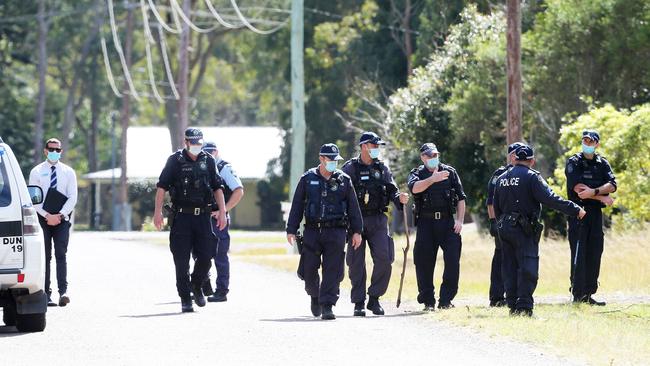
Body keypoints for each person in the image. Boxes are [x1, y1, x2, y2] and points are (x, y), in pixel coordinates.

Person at [494, 144, 586, 317]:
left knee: (509, 266)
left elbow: (496, 206)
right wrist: (575, 209)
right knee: (527, 265)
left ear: (515, 159)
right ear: (531, 161)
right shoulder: (532, 177)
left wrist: (502, 223)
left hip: (504, 227)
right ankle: (524, 307)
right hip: (523, 228)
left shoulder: (501, 178)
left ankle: (513, 305)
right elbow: (551, 199)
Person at [153, 128, 227, 313]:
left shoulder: (208, 160)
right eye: (193, 143)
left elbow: (217, 187)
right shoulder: (175, 161)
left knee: (206, 255)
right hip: (181, 217)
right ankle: (185, 298)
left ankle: (196, 284)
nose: (196, 146)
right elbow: (162, 187)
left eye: (199, 143)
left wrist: (223, 212)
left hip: (203, 216)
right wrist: (157, 212)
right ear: (186, 142)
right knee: (181, 259)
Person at [286, 143, 363, 320]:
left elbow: (353, 207)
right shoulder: (307, 179)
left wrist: (357, 231)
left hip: (336, 231)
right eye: (330, 160)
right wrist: (291, 229)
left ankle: (327, 305)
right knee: (309, 268)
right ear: (321, 159)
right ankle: (315, 295)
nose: (334, 163)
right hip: (313, 231)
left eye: (336, 160)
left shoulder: (344, 180)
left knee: (333, 268)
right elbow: (297, 205)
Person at [341, 132, 408, 317]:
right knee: (356, 263)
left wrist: (399, 198)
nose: (377, 149)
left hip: (378, 220)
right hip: (357, 220)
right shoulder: (350, 169)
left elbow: (392, 190)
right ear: (364, 146)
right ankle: (359, 302)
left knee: (385, 258)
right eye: (374, 146)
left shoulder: (383, 168)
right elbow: (341, 195)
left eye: (378, 146)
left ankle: (374, 298)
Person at [408, 143, 466, 311]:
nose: (433, 158)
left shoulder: (450, 172)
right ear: (423, 158)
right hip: (426, 223)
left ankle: (446, 300)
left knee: (453, 261)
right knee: (423, 262)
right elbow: (414, 189)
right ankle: (428, 301)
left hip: (447, 223)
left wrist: (460, 220)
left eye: (435, 155)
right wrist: (432, 179)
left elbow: (461, 198)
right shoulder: (417, 173)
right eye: (429, 156)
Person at [565, 130, 616, 306]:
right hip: (578, 213)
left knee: (595, 252)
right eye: (584, 140)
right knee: (579, 253)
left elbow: (612, 185)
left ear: (596, 144)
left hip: (595, 214)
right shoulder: (574, 162)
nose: (586, 143)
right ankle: (577, 293)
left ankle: (588, 293)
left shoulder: (602, 163)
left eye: (590, 141)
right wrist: (602, 197)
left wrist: (594, 192)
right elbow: (578, 189)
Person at [29, 138, 78, 307]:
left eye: (58, 150)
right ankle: (46, 293)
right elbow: (34, 198)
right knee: (45, 256)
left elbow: (73, 197)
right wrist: (46, 215)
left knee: (61, 254)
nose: (55, 152)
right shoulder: (36, 172)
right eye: (51, 149)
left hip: (62, 219)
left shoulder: (68, 172)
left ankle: (63, 292)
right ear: (45, 150)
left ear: (61, 152)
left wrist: (60, 215)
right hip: (42, 219)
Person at [201, 142, 244, 303]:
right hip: (202, 218)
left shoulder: (224, 168)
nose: (207, 156)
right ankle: (204, 286)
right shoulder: (201, 166)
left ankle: (221, 290)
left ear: (216, 152)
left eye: (209, 153)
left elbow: (239, 190)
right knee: (199, 253)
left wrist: (223, 210)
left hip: (218, 219)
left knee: (219, 255)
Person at [485, 142, 525, 307]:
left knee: (520, 260)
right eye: (514, 153)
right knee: (501, 258)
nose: (516, 156)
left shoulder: (526, 173)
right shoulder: (500, 174)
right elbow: (490, 202)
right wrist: (494, 222)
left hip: (521, 225)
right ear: (510, 156)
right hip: (503, 224)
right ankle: (496, 297)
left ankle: (516, 295)